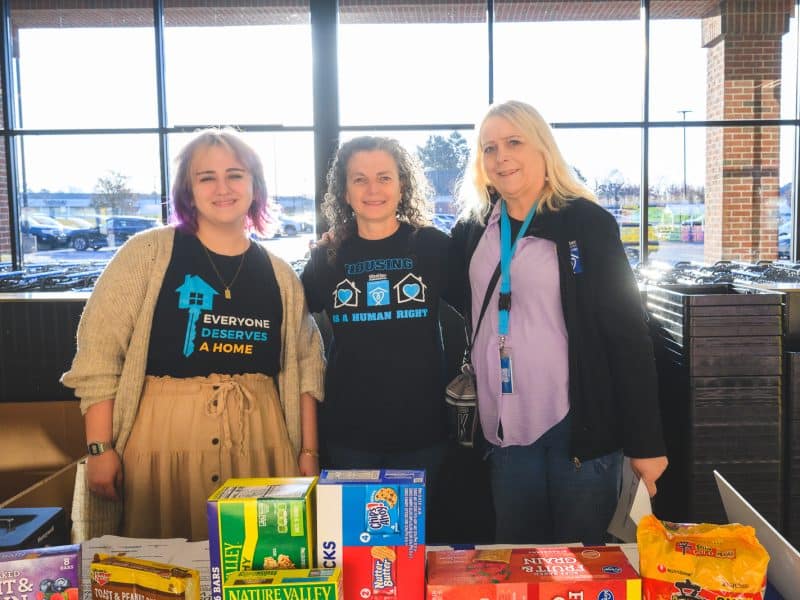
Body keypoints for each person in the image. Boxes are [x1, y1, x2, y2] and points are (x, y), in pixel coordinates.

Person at [62, 128, 325, 541]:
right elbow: (98, 359)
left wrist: (307, 453)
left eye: (235, 175)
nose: (223, 188)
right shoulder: (145, 255)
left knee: (261, 569)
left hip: (262, 446)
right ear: (188, 189)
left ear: (255, 186)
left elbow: (308, 368)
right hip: (161, 446)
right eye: (206, 177)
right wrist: (99, 449)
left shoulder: (281, 275)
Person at [450, 100, 668, 545]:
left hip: (576, 426)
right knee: (518, 556)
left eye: (514, 142)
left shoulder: (586, 223)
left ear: (543, 149)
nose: (501, 156)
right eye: (489, 148)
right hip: (505, 426)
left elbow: (628, 335)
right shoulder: (474, 227)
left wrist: (647, 442)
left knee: (581, 561)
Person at [300, 136, 460, 536]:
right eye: (360, 179)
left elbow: (483, 311)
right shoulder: (326, 256)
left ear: (401, 185)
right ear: (345, 191)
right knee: (359, 548)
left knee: (414, 547)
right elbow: (292, 326)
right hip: (349, 433)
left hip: (424, 430)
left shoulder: (433, 246)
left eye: (384, 177)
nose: (373, 189)